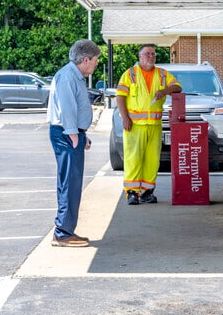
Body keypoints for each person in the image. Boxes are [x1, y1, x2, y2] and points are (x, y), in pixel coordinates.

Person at [47, 39, 101, 248]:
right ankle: (62, 233)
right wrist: (73, 133)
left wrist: (80, 133)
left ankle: (66, 230)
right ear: (85, 59)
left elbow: (74, 108)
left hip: (71, 133)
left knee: (72, 182)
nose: (96, 64)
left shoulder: (74, 76)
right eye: (95, 60)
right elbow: (67, 108)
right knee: (70, 183)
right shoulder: (68, 77)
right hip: (66, 134)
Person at [116, 44, 182, 205]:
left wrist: (165, 91)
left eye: (153, 54)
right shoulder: (129, 74)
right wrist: (125, 118)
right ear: (140, 57)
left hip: (154, 125)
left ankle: (147, 192)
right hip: (134, 125)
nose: (151, 57)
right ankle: (132, 192)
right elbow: (120, 97)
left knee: (152, 159)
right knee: (134, 158)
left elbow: (178, 87)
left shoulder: (162, 74)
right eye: (147, 54)